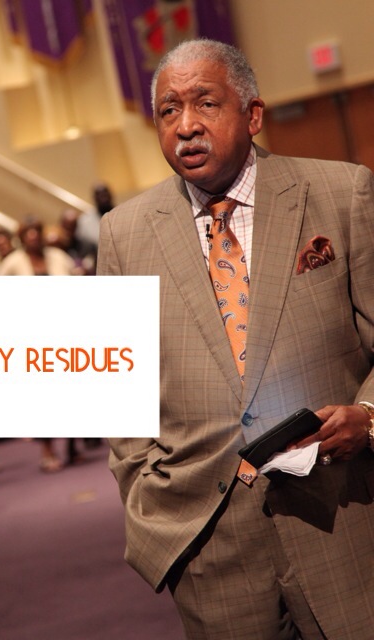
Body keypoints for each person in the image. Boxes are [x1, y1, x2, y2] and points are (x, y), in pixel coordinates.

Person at [98, 38, 374, 639]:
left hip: (343, 516)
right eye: (168, 110)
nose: (186, 127)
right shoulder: (123, 234)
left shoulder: (342, 192)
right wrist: (146, 492)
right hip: (208, 543)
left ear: (252, 114)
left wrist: (370, 416)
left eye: (205, 103)